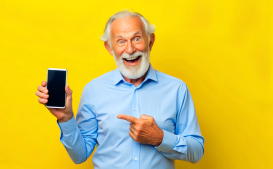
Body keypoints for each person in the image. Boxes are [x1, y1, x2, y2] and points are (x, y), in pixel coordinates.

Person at [36, 10, 204, 169]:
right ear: (110, 48)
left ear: (150, 41)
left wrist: (160, 138)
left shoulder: (176, 89)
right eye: (121, 41)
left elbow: (196, 151)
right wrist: (66, 118)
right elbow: (79, 155)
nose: (130, 50)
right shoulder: (94, 90)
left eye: (137, 39)